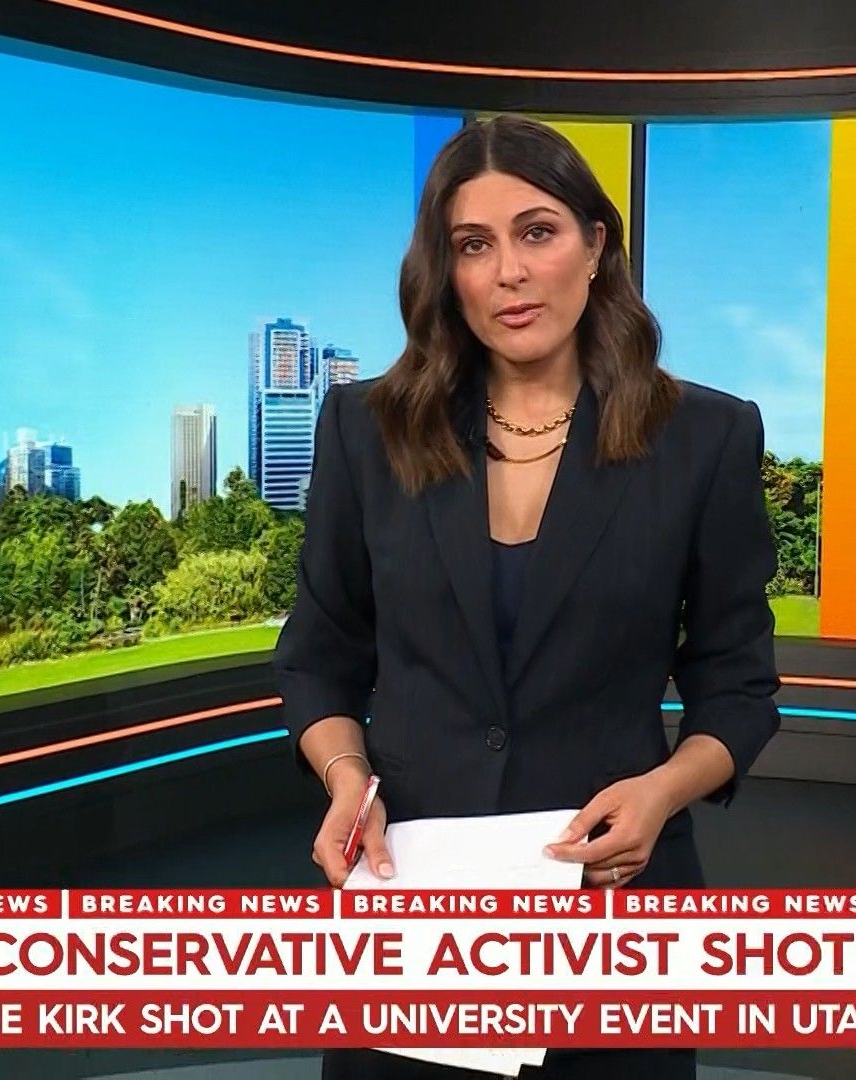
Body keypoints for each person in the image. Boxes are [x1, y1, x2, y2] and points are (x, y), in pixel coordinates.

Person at [273, 114, 781, 1080]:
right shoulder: (364, 430)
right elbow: (319, 659)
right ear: (447, 273)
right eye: (474, 245)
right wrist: (347, 778)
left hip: (614, 910)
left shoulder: (705, 438)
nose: (509, 271)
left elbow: (739, 688)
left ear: (594, 246)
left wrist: (662, 793)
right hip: (412, 909)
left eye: (537, 232)